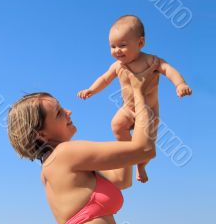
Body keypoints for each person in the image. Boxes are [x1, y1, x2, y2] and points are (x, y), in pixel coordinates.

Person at [7, 69, 157, 224]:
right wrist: (140, 95)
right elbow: (145, 149)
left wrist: (122, 133)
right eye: (59, 113)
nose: (69, 112)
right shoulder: (64, 154)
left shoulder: (55, 166)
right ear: (42, 134)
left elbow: (121, 180)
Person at [77, 15, 192, 183]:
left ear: (140, 43)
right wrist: (91, 90)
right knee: (116, 124)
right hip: (129, 108)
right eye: (112, 46)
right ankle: (129, 154)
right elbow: (104, 78)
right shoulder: (118, 66)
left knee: (146, 147)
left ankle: (141, 165)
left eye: (122, 45)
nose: (116, 50)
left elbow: (168, 70)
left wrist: (180, 84)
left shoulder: (150, 61)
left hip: (149, 112)